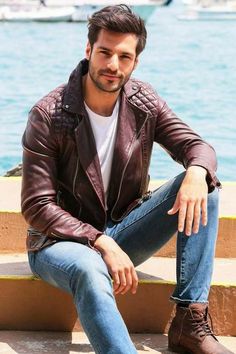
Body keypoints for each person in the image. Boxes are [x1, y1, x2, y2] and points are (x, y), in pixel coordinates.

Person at [21, 5, 232, 354]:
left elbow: (196, 146)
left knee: (203, 184)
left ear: (135, 62)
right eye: (104, 52)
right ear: (88, 50)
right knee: (89, 266)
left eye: (124, 56)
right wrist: (99, 241)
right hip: (58, 244)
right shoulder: (49, 115)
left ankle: (189, 321)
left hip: (121, 233)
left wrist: (196, 171)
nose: (112, 65)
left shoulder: (143, 101)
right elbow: (36, 206)